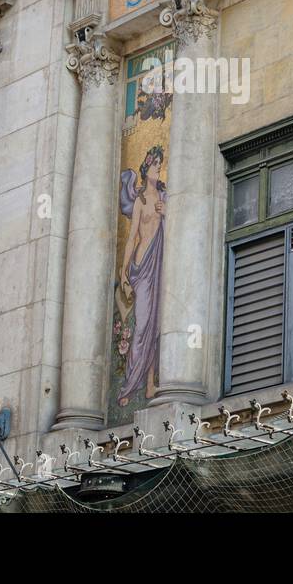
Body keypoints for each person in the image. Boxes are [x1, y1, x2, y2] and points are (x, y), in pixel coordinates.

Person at [116, 145, 166, 406]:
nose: (159, 168)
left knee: (158, 326)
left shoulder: (164, 196)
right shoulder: (141, 201)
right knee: (143, 325)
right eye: (155, 164)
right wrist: (124, 273)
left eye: (160, 164)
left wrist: (166, 213)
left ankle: (149, 384)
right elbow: (132, 236)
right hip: (143, 267)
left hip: (161, 264)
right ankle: (128, 386)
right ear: (147, 169)